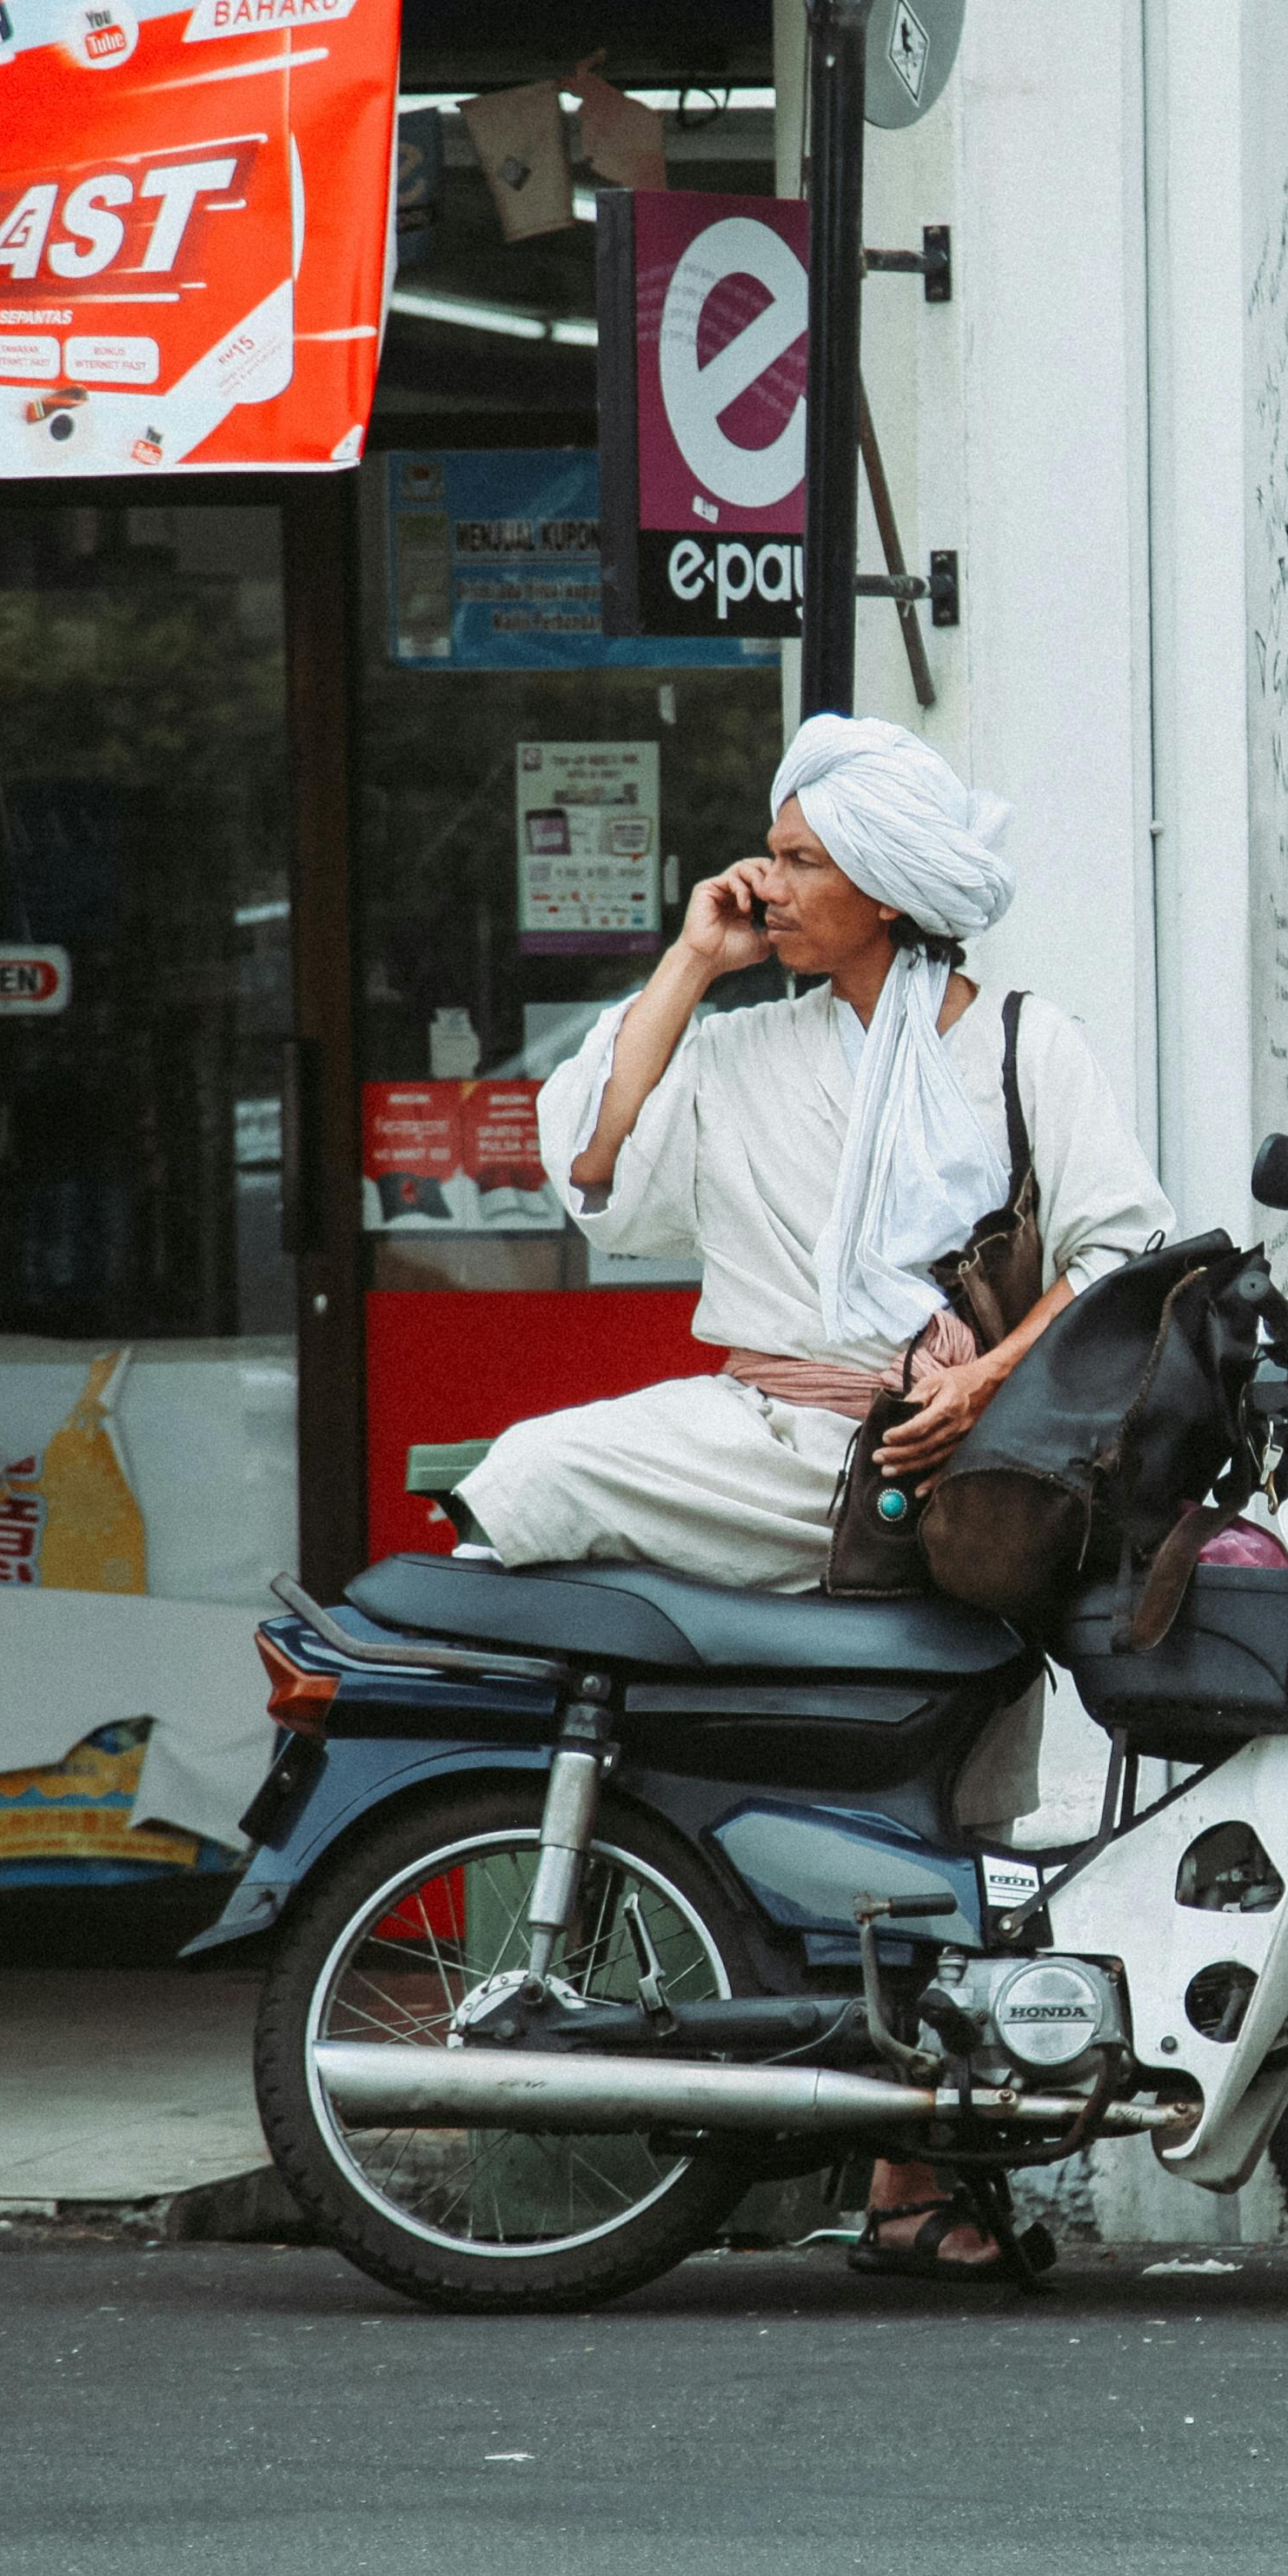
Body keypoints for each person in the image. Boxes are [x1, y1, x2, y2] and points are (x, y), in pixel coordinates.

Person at [461, 712, 1176, 2282]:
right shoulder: (737, 1044)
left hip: (955, 1471)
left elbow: (1127, 1249)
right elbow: (585, 1161)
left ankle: (918, 2176)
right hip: (762, 1447)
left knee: (947, 1814)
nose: (765, 884)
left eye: (798, 863)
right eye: (768, 857)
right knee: (523, 1477)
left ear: (890, 884)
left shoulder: (1020, 1042)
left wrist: (983, 1385)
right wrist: (690, 962)